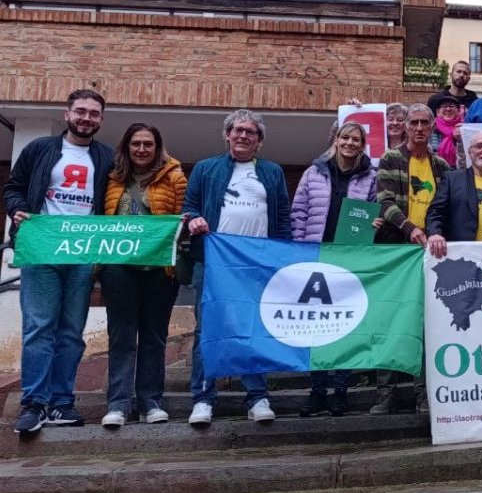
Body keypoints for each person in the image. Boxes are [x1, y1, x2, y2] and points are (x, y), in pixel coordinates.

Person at [5, 89, 115, 434]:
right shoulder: (40, 149)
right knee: (39, 326)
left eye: (94, 113)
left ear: (100, 119)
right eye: (80, 111)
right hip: (42, 248)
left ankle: (62, 403)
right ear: (67, 114)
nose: (86, 118)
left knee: (71, 331)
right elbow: (14, 187)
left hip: (83, 254)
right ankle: (33, 404)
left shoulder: (107, 157)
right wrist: (16, 209)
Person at [183, 109, 290, 427]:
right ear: (227, 135)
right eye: (238, 130)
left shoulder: (272, 172)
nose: (243, 136)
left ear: (259, 141)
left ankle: (257, 397)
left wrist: (281, 258)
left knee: (254, 328)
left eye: (251, 132)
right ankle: (203, 398)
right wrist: (194, 219)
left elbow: (282, 216)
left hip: (256, 265)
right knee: (207, 329)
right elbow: (189, 207)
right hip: (213, 262)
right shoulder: (206, 168)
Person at [98, 123, 187, 429]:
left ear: (157, 147)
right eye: (136, 143)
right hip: (118, 268)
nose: (141, 149)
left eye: (148, 144)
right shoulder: (110, 178)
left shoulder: (175, 177)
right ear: (127, 146)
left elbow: (183, 220)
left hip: (159, 271)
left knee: (153, 336)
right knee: (121, 335)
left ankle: (150, 402)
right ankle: (119, 404)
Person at [290, 121, 377, 418]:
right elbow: (299, 212)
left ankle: (340, 392)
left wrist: (375, 224)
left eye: (356, 139)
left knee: (344, 326)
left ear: (363, 145)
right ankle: (317, 392)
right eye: (346, 137)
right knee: (315, 327)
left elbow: (376, 211)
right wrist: (299, 252)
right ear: (336, 140)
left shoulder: (371, 177)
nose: (350, 143)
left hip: (349, 261)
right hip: (315, 257)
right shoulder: (313, 173)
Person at [371, 104, 450, 414]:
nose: (419, 128)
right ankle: (385, 394)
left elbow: (444, 205)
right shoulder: (391, 158)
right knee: (391, 320)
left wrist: (433, 233)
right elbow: (385, 201)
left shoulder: (441, 164)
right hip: (395, 249)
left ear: (432, 127)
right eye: (414, 122)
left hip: (430, 250)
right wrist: (411, 229)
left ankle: (423, 393)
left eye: (425, 123)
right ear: (404, 126)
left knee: (426, 321)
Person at [430, 94, 465, 169]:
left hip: (458, 173)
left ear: (459, 111)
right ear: (437, 111)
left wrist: (459, 140)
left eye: (451, 106)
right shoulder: (430, 129)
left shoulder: (464, 130)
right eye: (444, 106)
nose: (448, 109)